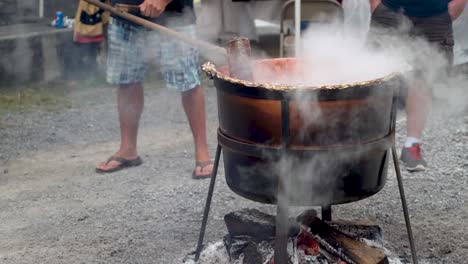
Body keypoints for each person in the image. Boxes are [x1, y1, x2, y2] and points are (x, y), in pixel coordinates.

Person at [95, 0, 214, 179]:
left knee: (188, 82)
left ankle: (202, 152)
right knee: (127, 80)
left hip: (175, 16)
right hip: (124, 12)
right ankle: (128, 149)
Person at [368, 0, 467, 172]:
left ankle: (411, 145)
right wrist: (376, 4)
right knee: (375, 79)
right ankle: (367, 146)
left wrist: (459, 2)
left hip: (435, 14)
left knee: (424, 79)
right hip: (390, 9)